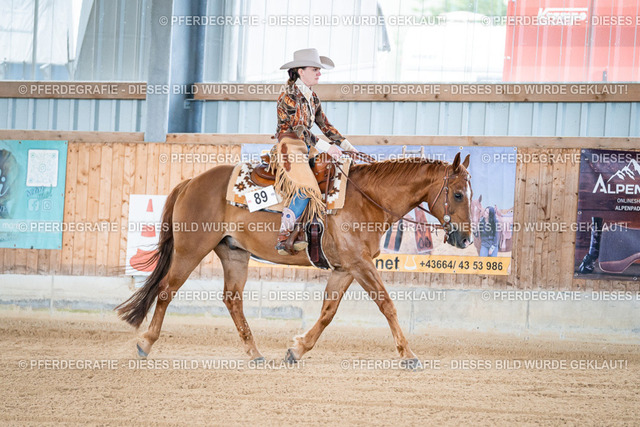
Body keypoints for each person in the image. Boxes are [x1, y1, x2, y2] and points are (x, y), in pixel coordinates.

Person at [272, 48, 357, 255]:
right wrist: (328, 147)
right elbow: (299, 129)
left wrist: (347, 146)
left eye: (319, 70)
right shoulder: (289, 95)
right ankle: (284, 235)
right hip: (290, 145)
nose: (319, 73)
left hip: (307, 147)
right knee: (306, 187)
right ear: (300, 71)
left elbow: (325, 125)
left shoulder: (313, 97)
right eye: (314, 69)